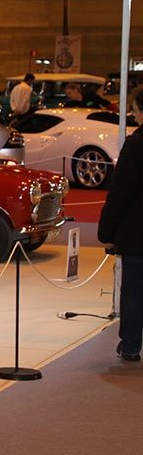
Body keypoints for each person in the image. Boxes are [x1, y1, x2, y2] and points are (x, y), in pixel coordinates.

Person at [98, 86, 143, 362]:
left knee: (134, 290)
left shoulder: (136, 144)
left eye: (135, 110)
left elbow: (120, 191)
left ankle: (131, 345)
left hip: (137, 233)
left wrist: (106, 230)